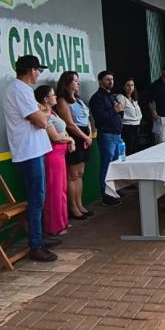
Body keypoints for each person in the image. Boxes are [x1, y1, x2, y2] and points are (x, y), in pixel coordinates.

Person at [2, 55, 59, 262]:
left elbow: (43, 114)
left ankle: (40, 237)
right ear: (32, 70)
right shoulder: (19, 90)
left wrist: (43, 112)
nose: (39, 75)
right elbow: (41, 121)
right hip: (28, 152)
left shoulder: (24, 90)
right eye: (38, 70)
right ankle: (36, 245)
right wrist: (44, 112)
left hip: (34, 150)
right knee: (36, 200)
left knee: (39, 198)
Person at [35, 85, 76, 237]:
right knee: (54, 191)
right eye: (53, 95)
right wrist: (70, 139)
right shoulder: (43, 115)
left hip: (60, 155)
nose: (56, 97)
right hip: (52, 156)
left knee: (62, 189)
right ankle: (54, 226)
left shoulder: (52, 112)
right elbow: (55, 137)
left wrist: (69, 140)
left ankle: (62, 221)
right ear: (46, 99)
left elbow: (62, 132)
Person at [56, 71, 94, 221]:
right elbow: (70, 124)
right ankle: (73, 208)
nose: (78, 83)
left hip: (85, 136)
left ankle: (80, 205)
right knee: (72, 175)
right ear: (67, 84)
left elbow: (87, 117)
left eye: (78, 81)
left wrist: (89, 132)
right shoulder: (62, 100)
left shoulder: (78, 99)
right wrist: (85, 136)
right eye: (75, 81)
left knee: (80, 174)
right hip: (75, 137)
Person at [89, 70, 124, 206]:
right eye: (107, 79)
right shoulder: (96, 98)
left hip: (117, 135)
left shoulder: (112, 96)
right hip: (106, 135)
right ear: (100, 81)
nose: (111, 82)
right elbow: (100, 117)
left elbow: (118, 113)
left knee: (116, 164)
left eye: (112, 79)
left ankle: (114, 190)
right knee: (106, 165)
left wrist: (119, 112)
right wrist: (114, 110)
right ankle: (105, 194)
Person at [118, 77, 142, 155]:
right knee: (128, 149)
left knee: (135, 149)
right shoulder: (121, 97)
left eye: (132, 85)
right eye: (128, 85)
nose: (130, 87)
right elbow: (120, 112)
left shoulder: (133, 98)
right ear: (123, 87)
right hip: (127, 127)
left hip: (136, 126)